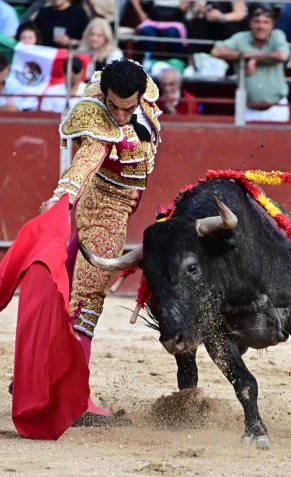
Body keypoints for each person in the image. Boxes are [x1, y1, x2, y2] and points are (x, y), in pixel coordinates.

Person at [39, 58, 162, 423]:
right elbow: (85, 162)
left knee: (66, 291)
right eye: (113, 106)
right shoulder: (97, 119)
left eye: (129, 107)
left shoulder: (141, 88)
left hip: (115, 203)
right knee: (88, 301)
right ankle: (74, 398)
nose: (120, 116)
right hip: (104, 207)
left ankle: (46, 376)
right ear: (103, 96)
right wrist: (64, 199)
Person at [211, 6, 290, 123]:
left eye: (265, 22)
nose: (261, 26)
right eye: (257, 22)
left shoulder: (277, 35)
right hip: (248, 108)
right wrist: (243, 55)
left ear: (272, 25)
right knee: (244, 141)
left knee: (278, 141)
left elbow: (282, 55)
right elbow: (216, 51)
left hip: (276, 109)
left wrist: (256, 59)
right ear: (250, 24)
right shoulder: (240, 38)